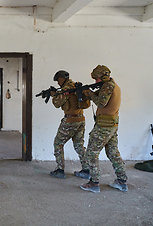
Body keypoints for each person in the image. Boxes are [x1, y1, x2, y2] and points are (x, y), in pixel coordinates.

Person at [80, 65, 128, 193]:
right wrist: (88, 92)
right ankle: (122, 181)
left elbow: (101, 103)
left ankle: (94, 183)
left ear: (105, 76)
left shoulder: (108, 86)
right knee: (113, 153)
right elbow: (101, 97)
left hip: (104, 126)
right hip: (112, 125)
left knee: (91, 153)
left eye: (97, 79)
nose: (96, 81)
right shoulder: (113, 86)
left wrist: (90, 94)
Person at [49, 70, 91, 179]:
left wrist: (53, 95)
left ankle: (60, 170)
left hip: (70, 121)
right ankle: (86, 170)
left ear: (62, 78)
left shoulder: (66, 89)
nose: (58, 83)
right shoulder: (76, 87)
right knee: (79, 145)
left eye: (58, 80)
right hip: (81, 120)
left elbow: (57, 104)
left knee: (58, 143)